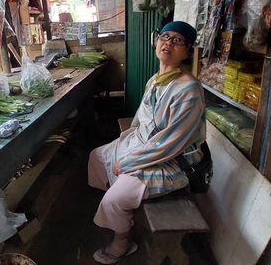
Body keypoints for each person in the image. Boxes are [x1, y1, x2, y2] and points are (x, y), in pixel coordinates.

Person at [88, 21, 206, 264]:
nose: (169, 43)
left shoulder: (188, 90)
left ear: (187, 51)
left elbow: (170, 144)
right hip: (145, 146)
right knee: (98, 156)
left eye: (178, 40)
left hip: (174, 161)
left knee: (115, 197)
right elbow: (140, 122)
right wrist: (124, 144)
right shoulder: (155, 80)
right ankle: (121, 209)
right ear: (156, 42)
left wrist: (130, 160)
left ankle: (123, 240)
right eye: (165, 36)